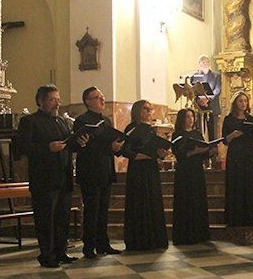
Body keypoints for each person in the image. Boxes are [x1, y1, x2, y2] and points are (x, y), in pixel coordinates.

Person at [16, 85, 88, 267]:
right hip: (44, 179)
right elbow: (23, 147)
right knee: (45, 219)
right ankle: (47, 255)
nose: (57, 103)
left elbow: (68, 145)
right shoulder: (30, 122)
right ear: (40, 101)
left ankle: (61, 252)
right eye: (52, 99)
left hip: (63, 177)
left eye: (58, 99)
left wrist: (79, 143)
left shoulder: (61, 122)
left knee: (62, 218)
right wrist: (48, 147)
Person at [73, 87, 123, 258]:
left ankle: (103, 244)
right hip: (90, 171)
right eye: (97, 97)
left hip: (105, 170)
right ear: (87, 101)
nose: (102, 100)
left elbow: (110, 144)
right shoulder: (81, 121)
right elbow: (84, 146)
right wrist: (108, 146)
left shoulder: (106, 121)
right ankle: (88, 247)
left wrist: (116, 147)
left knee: (103, 210)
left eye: (102, 96)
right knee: (92, 210)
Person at [119, 100, 168, 251]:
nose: (149, 112)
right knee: (139, 201)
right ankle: (139, 240)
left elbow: (155, 148)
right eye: (145, 109)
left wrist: (160, 154)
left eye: (150, 109)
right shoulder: (131, 128)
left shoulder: (151, 130)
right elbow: (125, 149)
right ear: (138, 111)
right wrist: (139, 155)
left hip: (151, 169)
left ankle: (154, 239)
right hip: (138, 170)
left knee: (152, 201)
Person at [223, 91, 253, 225]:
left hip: (250, 153)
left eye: (245, 101)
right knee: (237, 183)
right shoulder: (228, 119)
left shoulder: (251, 119)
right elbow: (224, 140)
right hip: (236, 154)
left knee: (251, 183)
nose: (243, 103)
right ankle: (236, 217)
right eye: (240, 101)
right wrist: (233, 135)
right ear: (235, 103)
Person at [171, 109, 213, 244]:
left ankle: (200, 233)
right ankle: (184, 234)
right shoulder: (177, 135)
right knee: (185, 200)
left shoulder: (197, 134)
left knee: (198, 200)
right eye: (187, 116)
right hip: (184, 171)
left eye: (192, 116)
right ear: (182, 119)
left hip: (196, 170)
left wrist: (210, 150)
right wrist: (194, 151)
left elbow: (204, 151)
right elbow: (179, 153)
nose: (190, 119)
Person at [191, 54, 222, 139]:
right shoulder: (195, 76)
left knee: (213, 132)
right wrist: (199, 99)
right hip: (199, 107)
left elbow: (217, 90)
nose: (205, 64)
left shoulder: (216, 76)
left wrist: (207, 98)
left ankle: (214, 149)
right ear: (199, 64)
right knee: (199, 131)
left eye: (206, 62)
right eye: (202, 62)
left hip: (212, 106)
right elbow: (193, 90)